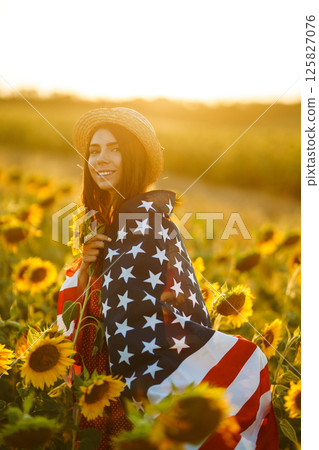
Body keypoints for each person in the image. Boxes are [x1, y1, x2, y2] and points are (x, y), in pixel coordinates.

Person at [57, 107, 279, 449]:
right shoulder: (104, 227)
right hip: (101, 385)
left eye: (115, 148)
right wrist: (86, 269)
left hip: (137, 388)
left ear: (135, 158)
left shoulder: (152, 226)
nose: (101, 159)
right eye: (94, 151)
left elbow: (170, 311)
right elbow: (97, 310)